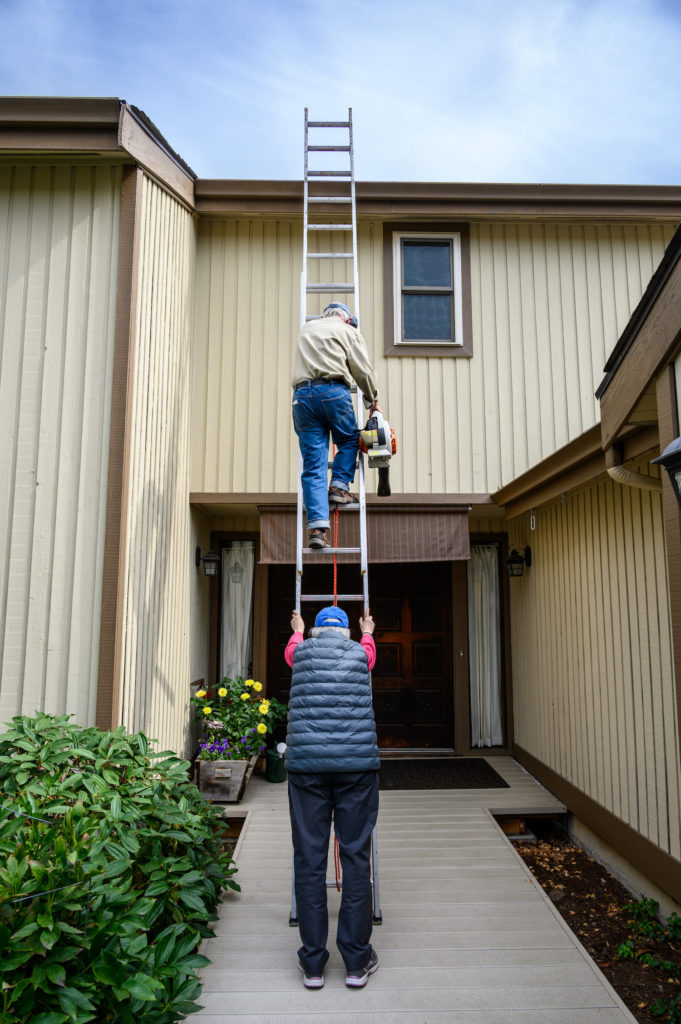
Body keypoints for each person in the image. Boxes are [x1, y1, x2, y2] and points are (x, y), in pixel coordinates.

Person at [284, 604, 380, 989]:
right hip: (357, 769)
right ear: (346, 633)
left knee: (309, 860)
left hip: (307, 769)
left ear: (316, 633)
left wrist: (297, 627)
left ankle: (312, 965)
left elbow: (291, 649)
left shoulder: (300, 652)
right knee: (356, 858)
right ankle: (356, 964)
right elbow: (371, 652)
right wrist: (368, 629)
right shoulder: (360, 653)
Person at [292, 303, 381, 550]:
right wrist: (373, 401)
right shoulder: (348, 331)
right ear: (347, 319)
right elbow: (362, 370)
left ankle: (318, 530)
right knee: (351, 440)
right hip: (332, 391)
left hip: (301, 398)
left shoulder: (307, 329)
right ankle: (340, 487)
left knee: (313, 466)